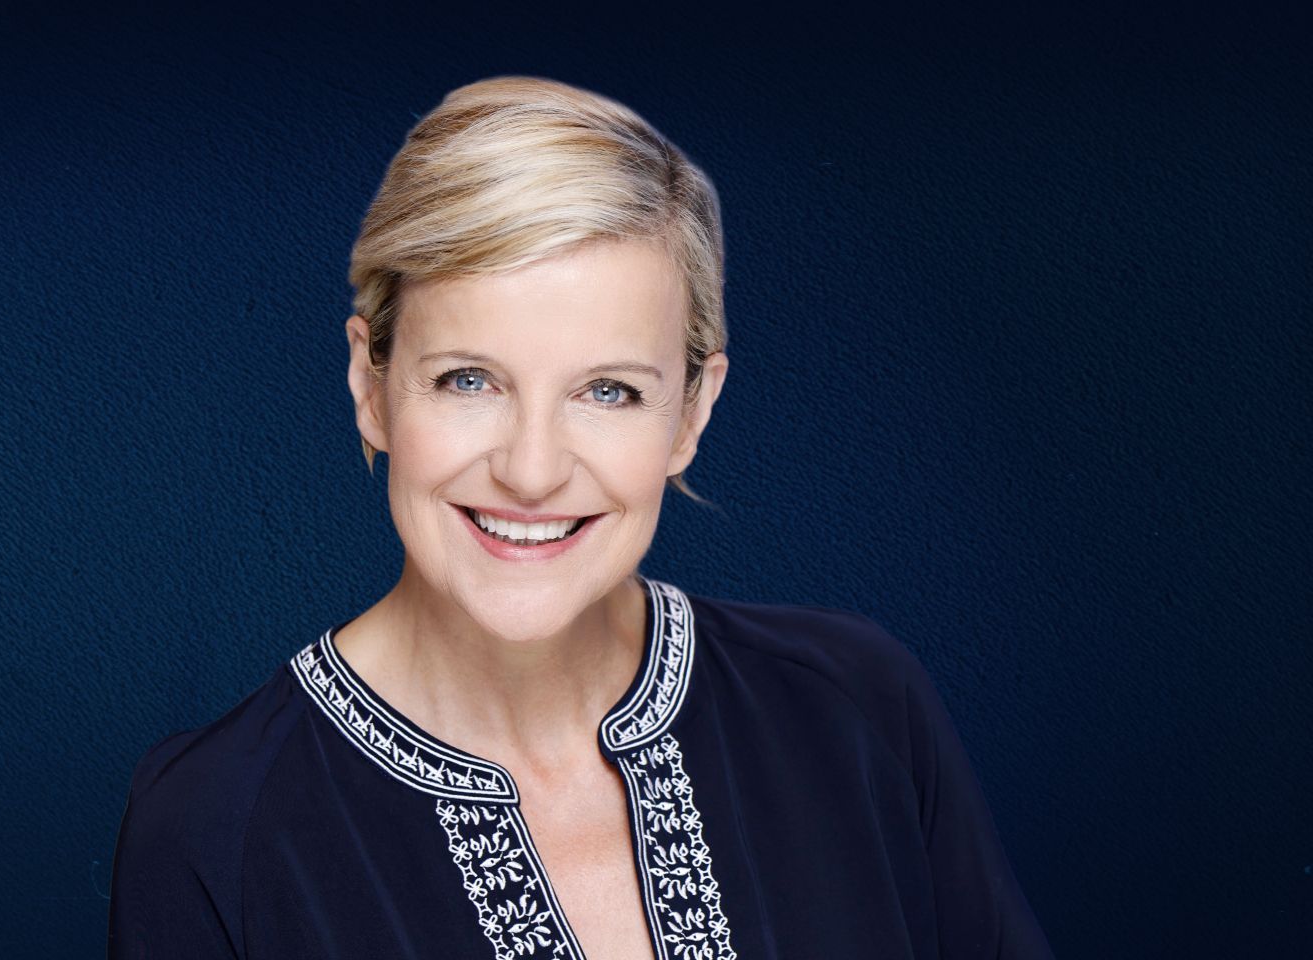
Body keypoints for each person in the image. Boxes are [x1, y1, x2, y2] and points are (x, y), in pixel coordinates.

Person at [107, 75, 1053, 960]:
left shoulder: (855, 707)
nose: (531, 471)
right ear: (371, 385)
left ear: (692, 412)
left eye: (608, 391)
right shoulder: (212, 824)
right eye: (467, 380)